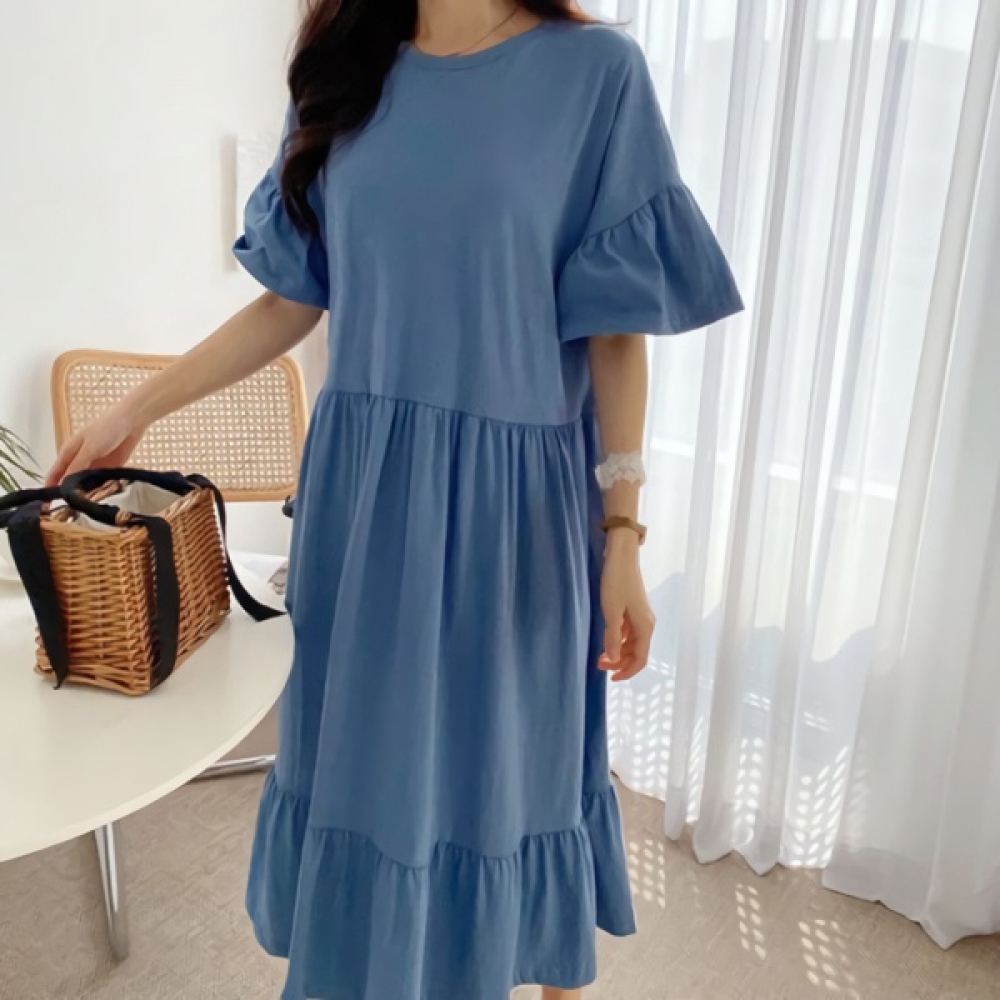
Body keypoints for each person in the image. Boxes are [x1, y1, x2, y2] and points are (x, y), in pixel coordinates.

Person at [48, 1, 742, 997]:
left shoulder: (595, 75)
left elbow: (617, 333)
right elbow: (291, 298)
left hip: (516, 513)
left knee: (518, 772)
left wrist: (622, 535)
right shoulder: (345, 66)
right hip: (367, 504)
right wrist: (138, 407)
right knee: (372, 778)